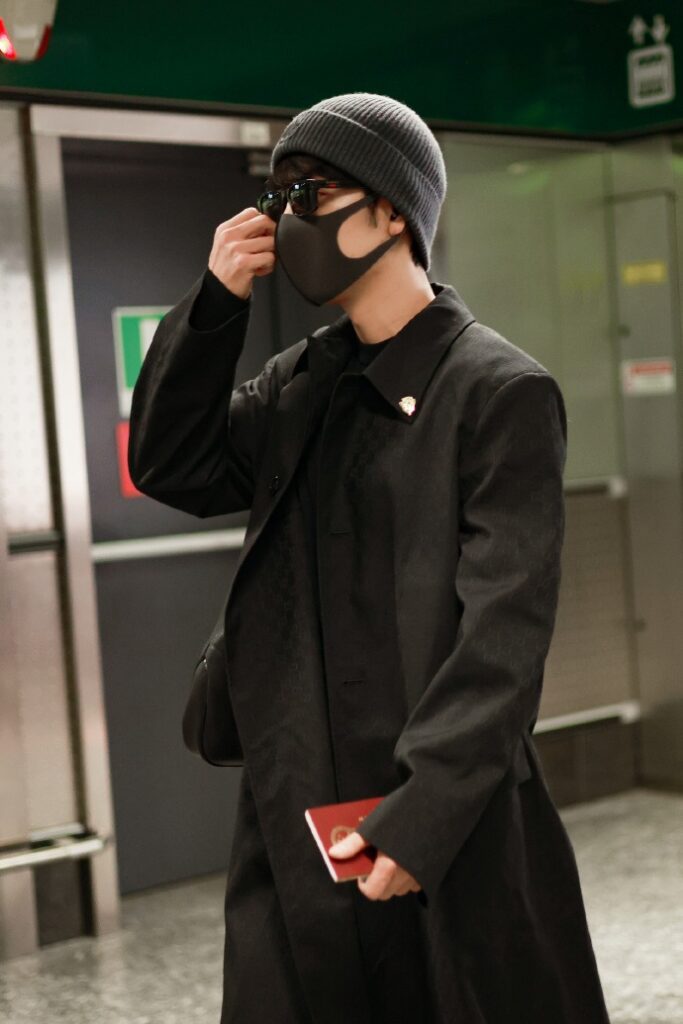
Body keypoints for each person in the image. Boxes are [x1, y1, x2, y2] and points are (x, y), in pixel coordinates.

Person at [128, 92, 612, 1024]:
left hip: (437, 816)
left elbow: (503, 637)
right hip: (297, 814)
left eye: (309, 195)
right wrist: (216, 307)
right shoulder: (298, 383)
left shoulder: (497, 392)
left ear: (393, 212)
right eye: (276, 199)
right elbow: (171, 463)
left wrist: (423, 817)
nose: (287, 222)